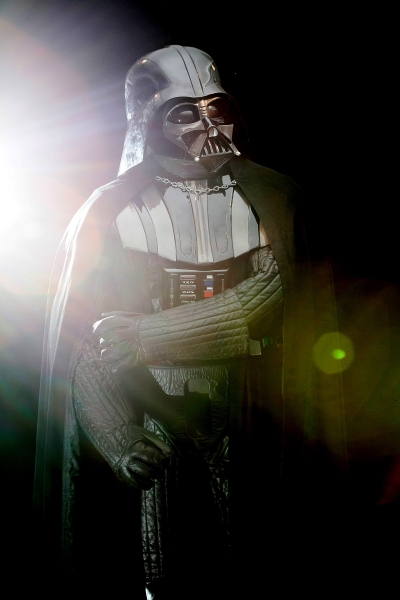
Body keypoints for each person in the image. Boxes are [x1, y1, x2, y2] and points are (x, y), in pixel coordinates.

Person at [33, 45, 346, 599]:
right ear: (149, 119)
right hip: (150, 397)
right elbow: (88, 338)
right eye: (185, 112)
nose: (208, 125)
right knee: (159, 565)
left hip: (249, 399)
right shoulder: (111, 211)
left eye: (216, 107)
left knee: (250, 550)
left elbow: (273, 291)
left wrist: (148, 335)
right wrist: (117, 436)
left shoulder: (274, 199)